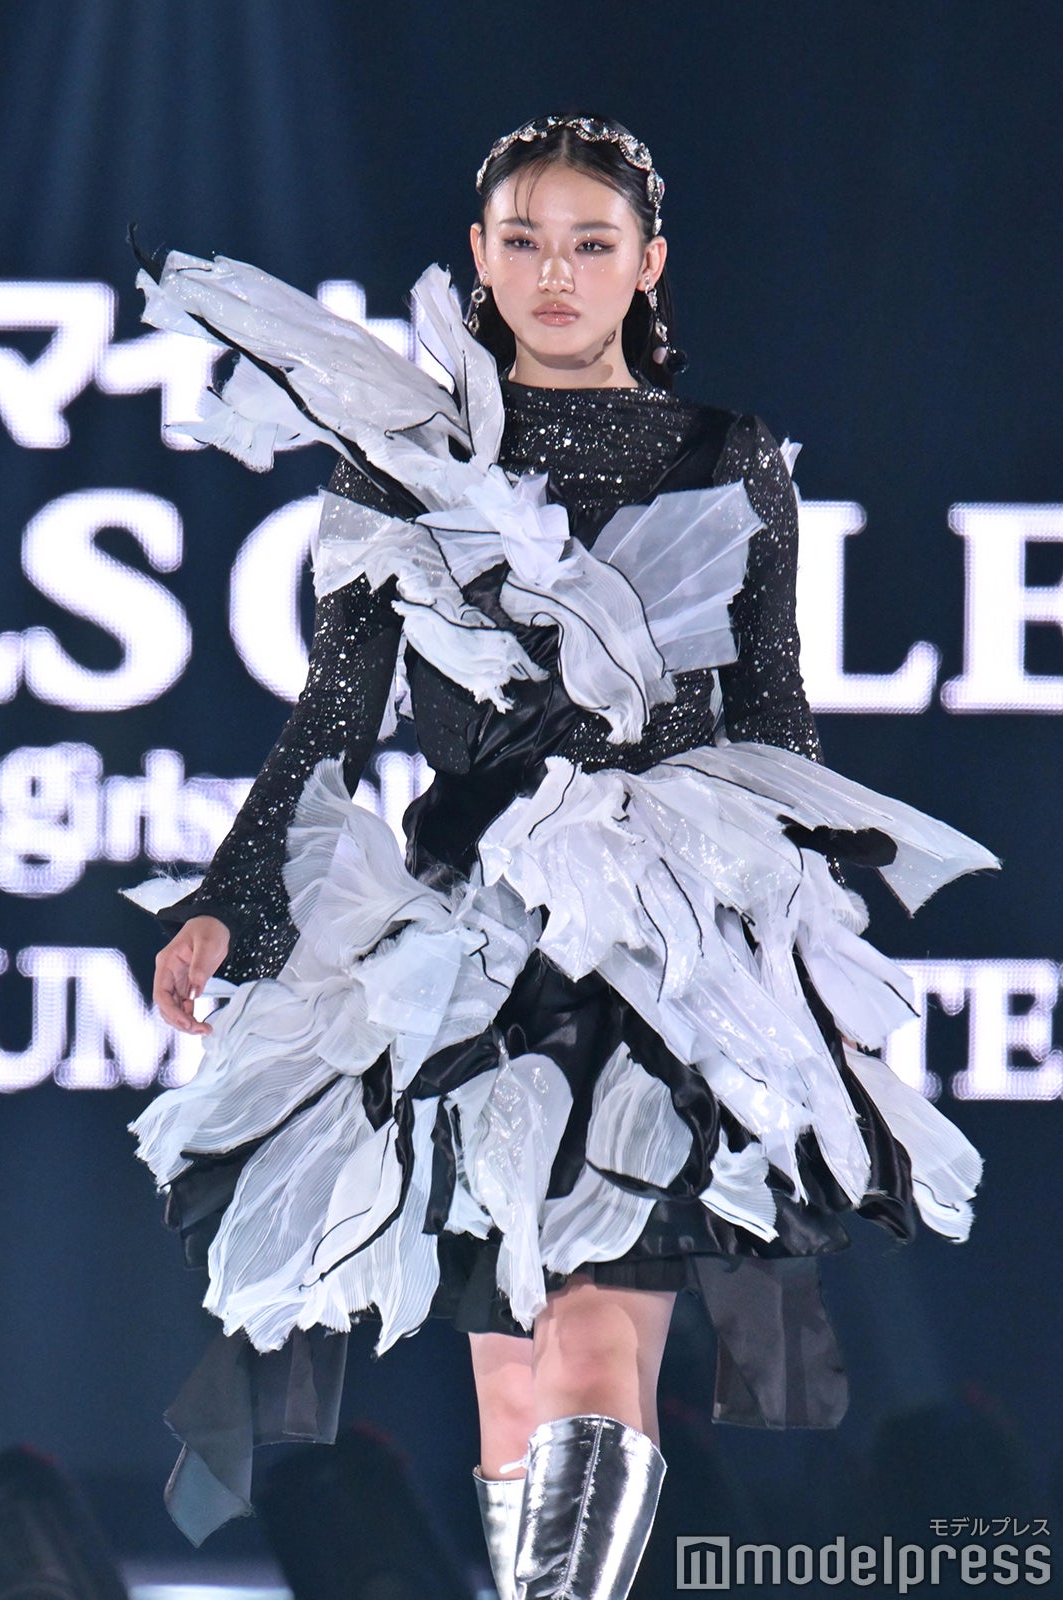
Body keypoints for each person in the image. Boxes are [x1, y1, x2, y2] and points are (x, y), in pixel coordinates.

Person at [129, 115, 995, 1596]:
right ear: (478, 256)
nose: (555, 272)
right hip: (464, 952)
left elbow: (771, 712)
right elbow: (332, 718)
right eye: (524, 240)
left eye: (591, 244)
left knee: (595, 1350)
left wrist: (793, 946)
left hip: (653, 949)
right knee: (513, 1386)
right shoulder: (405, 471)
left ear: (647, 265)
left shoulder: (727, 458)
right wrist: (231, 898)